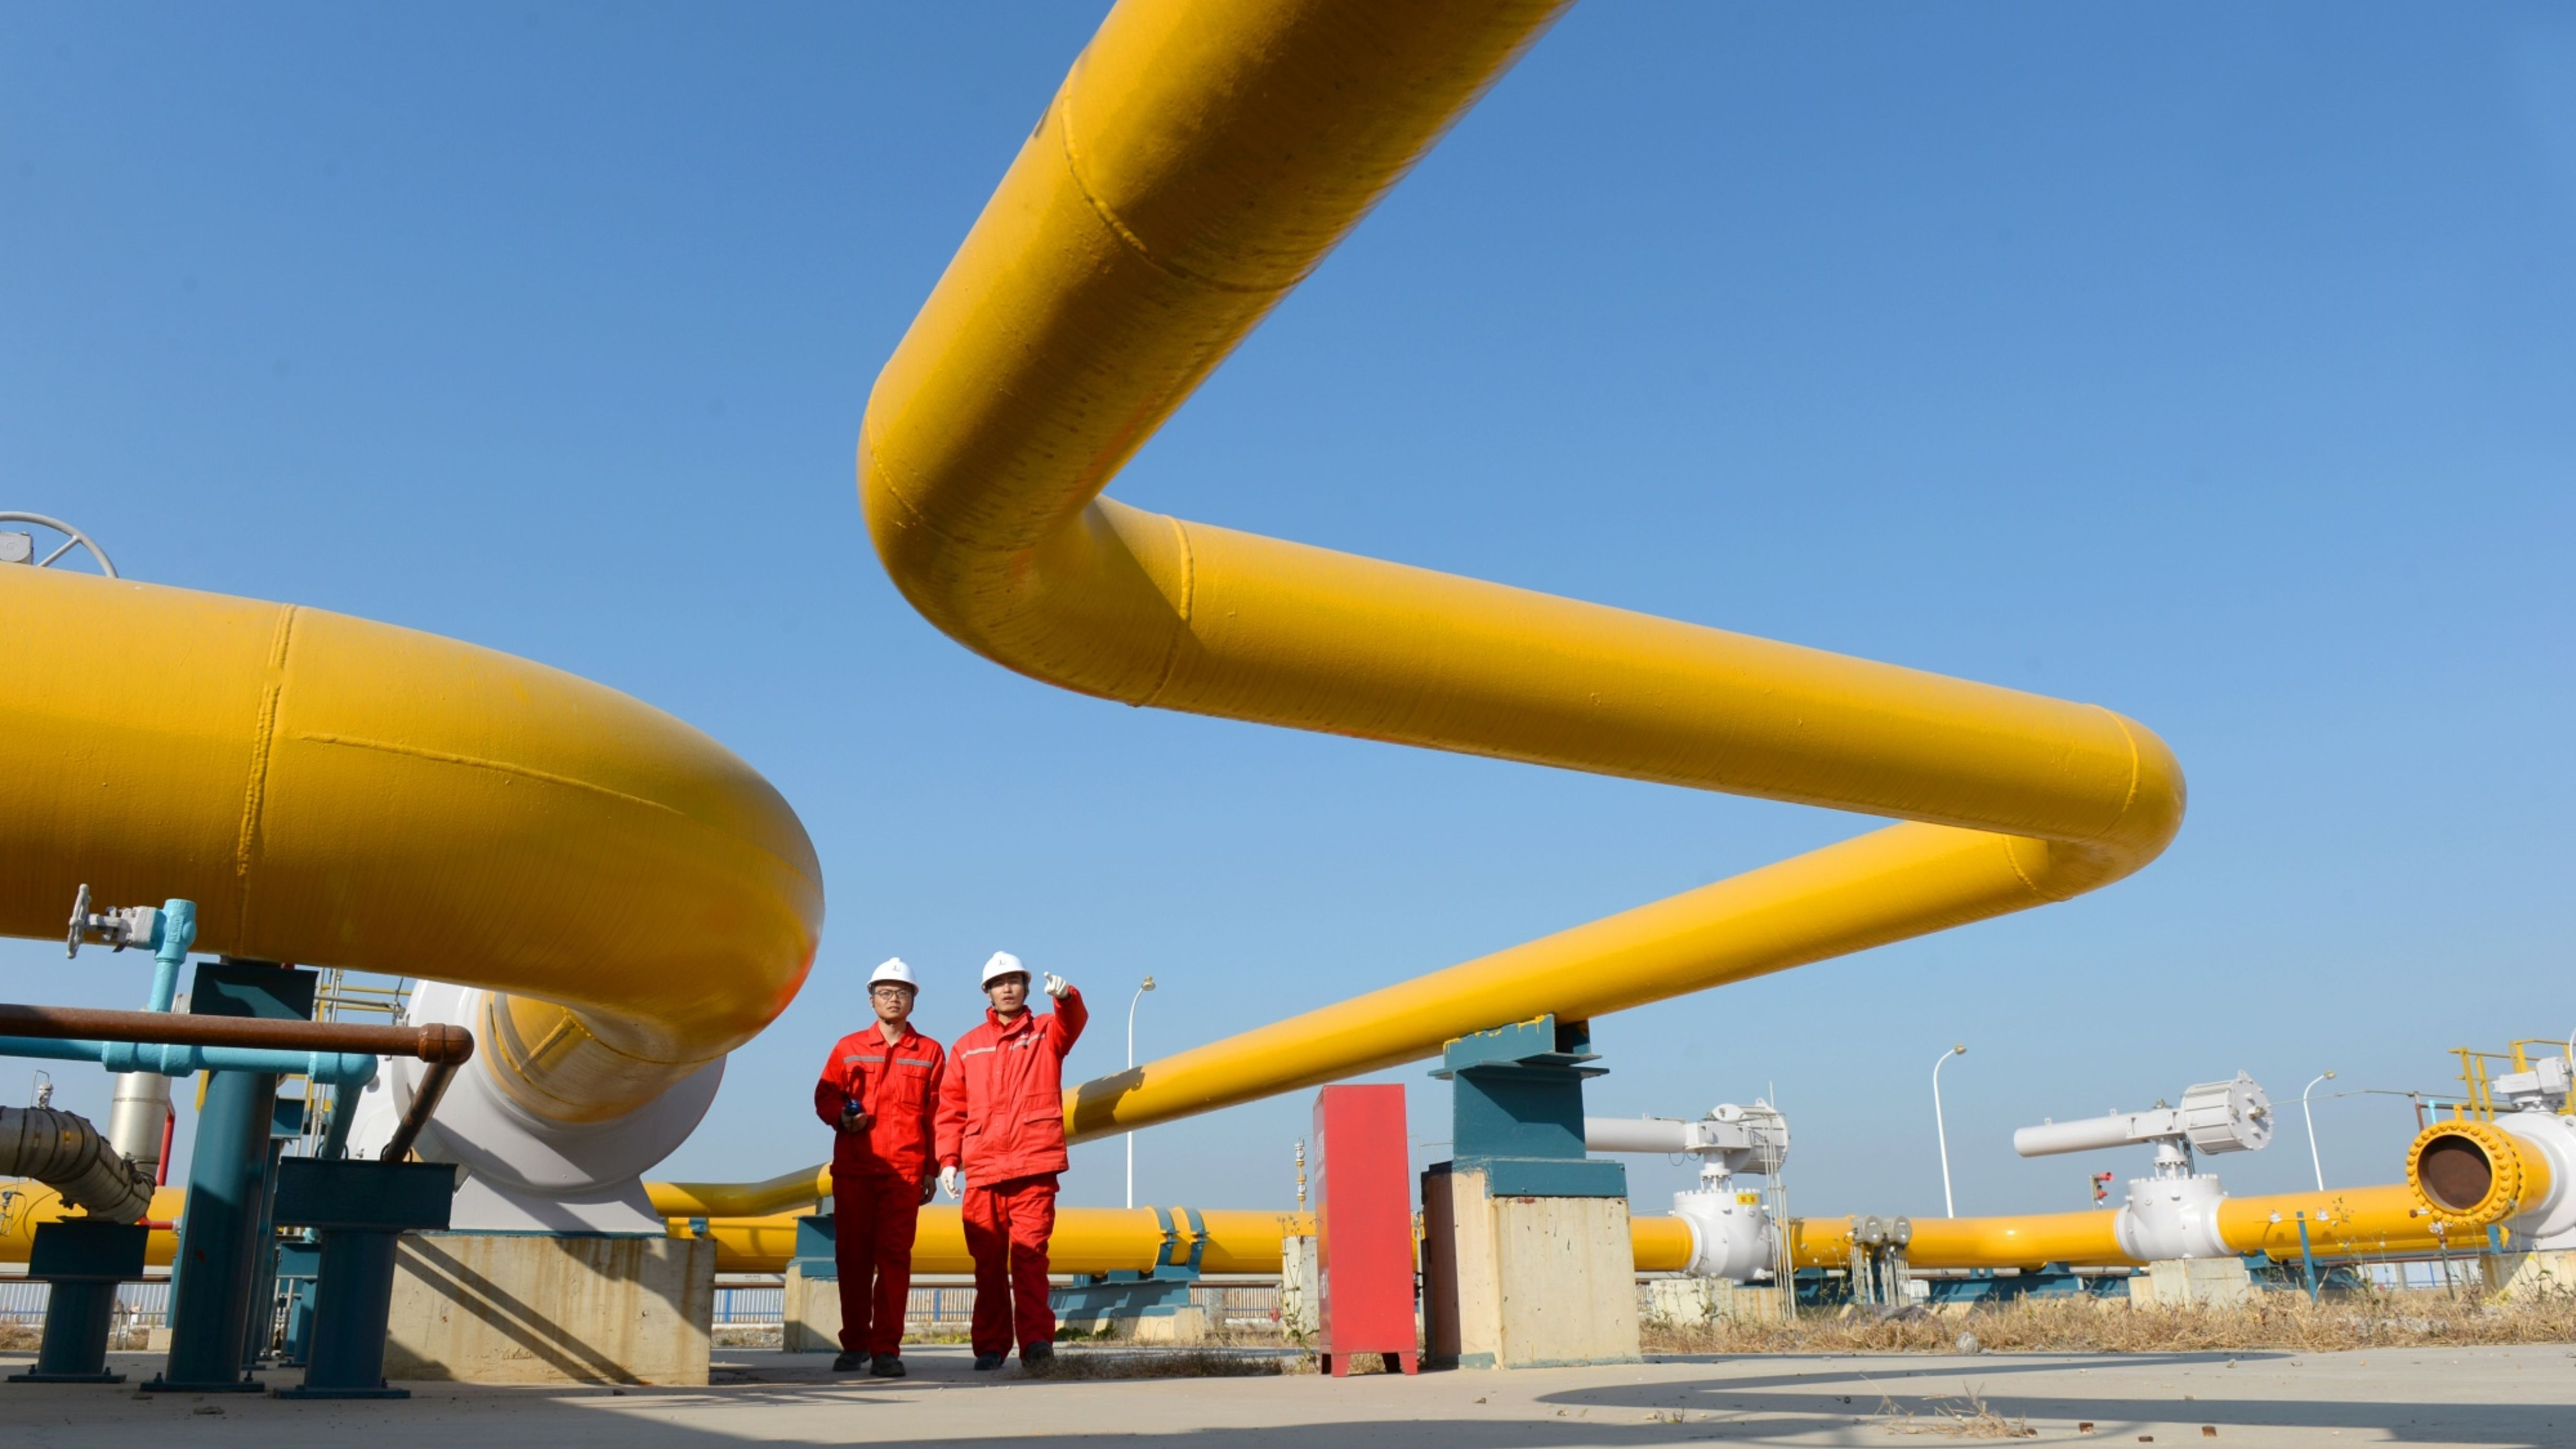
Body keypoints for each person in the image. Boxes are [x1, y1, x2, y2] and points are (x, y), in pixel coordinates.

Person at [935, 950, 1086, 1372]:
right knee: (987, 1264)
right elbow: (951, 1109)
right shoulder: (967, 1048)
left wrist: (1067, 998)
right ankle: (991, 1345)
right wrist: (948, 1159)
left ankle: (1036, 1342)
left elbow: (1072, 1025)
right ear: (987, 991)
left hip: (1033, 1165)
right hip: (984, 1170)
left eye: (1014, 981)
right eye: (999, 983)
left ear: (1026, 987)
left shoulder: (1046, 1031)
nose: (1007, 988)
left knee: (1030, 1257)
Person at [813, 957, 946, 1377]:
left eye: (901, 993)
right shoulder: (848, 1048)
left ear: (913, 1000)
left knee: (893, 1260)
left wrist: (931, 1168)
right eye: (885, 992)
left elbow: (937, 1115)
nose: (893, 999)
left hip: (903, 1173)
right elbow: (825, 1095)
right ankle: (855, 1344)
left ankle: (886, 1349)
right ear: (871, 1000)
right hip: (855, 1170)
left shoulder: (930, 1052)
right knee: (852, 1259)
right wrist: (841, 1117)